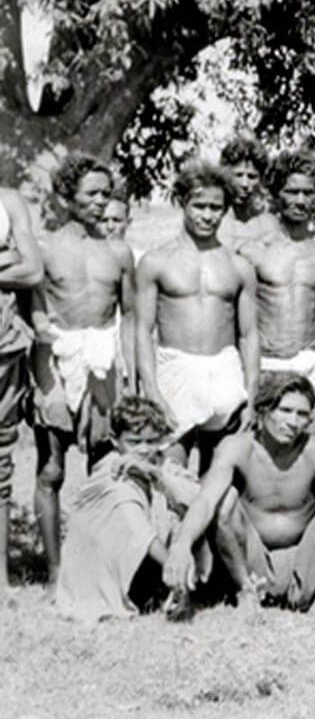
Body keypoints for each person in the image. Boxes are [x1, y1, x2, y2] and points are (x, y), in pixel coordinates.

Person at [163, 372, 315, 612]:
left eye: (302, 414)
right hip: (253, 558)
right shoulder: (237, 447)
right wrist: (181, 545)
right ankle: (245, 591)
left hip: (306, 558)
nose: (293, 422)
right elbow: (205, 501)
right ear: (263, 410)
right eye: (285, 410)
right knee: (224, 501)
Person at [32, 153, 136, 589]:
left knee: (104, 465)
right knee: (51, 469)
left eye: (105, 194)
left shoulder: (118, 252)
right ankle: (56, 569)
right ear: (66, 197)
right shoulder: (44, 248)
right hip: (58, 359)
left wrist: (129, 375)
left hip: (103, 362)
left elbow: (130, 318)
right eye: (90, 194)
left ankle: (97, 565)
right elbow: (35, 311)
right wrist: (45, 382)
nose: (99, 203)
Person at [135, 160, 258, 471]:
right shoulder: (156, 262)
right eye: (199, 205)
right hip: (175, 368)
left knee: (219, 476)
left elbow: (249, 334)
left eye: (216, 207)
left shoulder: (239, 266)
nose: (207, 215)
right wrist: (150, 389)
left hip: (225, 369)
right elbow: (142, 329)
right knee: (171, 474)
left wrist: (252, 394)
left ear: (226, 209)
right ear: (181, 203)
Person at [54, 396, 206, 623]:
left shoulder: (158, 463)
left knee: (176, 506)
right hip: (97, 572)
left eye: (152, 441)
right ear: (115, 440)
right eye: (134, 442)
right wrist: (174, 567)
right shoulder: (111, 474)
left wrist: (157, 475)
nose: (144, 449)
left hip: (137, 562)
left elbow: (199, 497)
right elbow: (138, 529)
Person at [239, 150, 315, 431]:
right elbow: (239, 327)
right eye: (292, 191)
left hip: (309, 366)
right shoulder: (253, 253)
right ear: (277, 194)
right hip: (264, 366)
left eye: (308, 193)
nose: (300, 200)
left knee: (313, 457)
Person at [0, 186, 45, 594]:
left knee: (0, 459)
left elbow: (32, 271)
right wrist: (6, 259)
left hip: (2, 346)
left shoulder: (9, 201)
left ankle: (0, 576)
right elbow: (17, 265)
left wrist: (18, 258)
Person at [217, 136, 270, 247]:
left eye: (252, 177)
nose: (244, 184)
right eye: (238, 175)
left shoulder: (263, 215)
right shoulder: (213, 214)